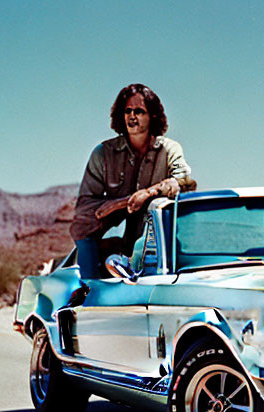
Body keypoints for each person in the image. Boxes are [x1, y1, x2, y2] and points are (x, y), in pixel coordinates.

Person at [70, 84, 191, 278]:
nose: (132, 116)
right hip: (108, 251)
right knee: (89, 287)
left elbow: (184, 180)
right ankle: (88, 284)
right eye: (127, 111)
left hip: (157, 245)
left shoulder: (169, 150)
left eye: (139, 111)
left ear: (152, 115)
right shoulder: (103, 153)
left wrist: (149, 193)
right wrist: (124, 203)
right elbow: (83, 211)